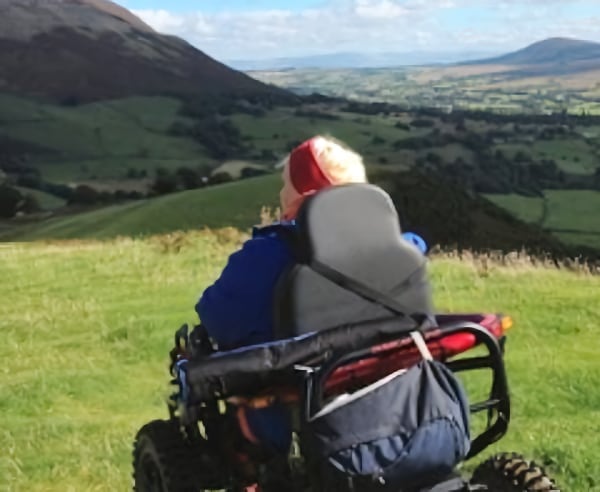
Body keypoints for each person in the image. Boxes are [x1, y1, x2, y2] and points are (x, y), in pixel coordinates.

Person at [195, 135, 427, 464]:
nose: (279, 193)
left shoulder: (269, 255)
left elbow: (217, 319)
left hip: (301, 425)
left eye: (285, 184)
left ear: (304, 194)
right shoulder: (404, 250)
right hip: (407, 407)